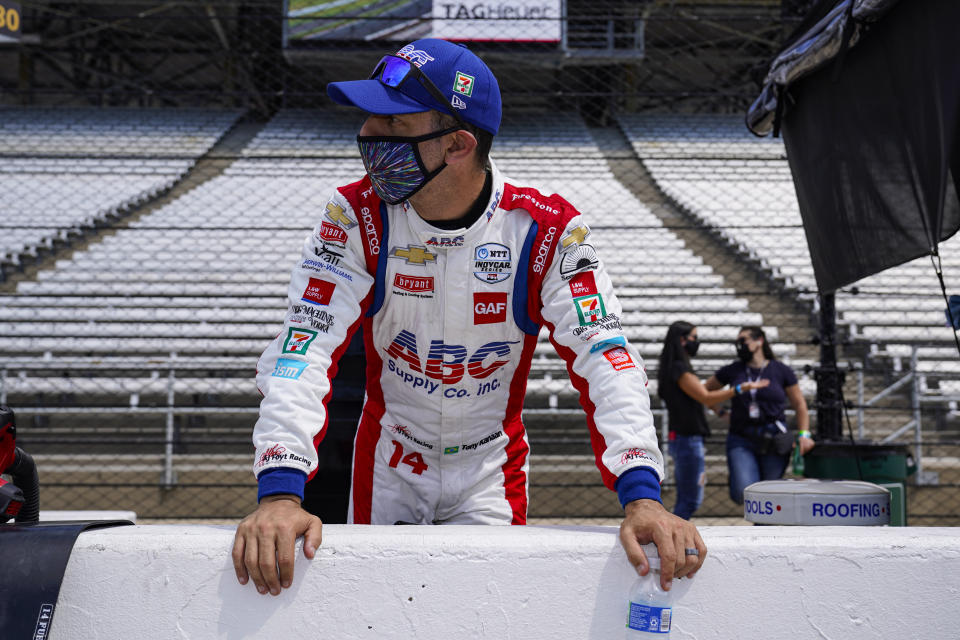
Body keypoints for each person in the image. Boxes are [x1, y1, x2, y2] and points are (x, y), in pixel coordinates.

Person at [231, 38, 706, 597]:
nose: (366, 134)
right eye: (369, 117)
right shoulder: (353, 214)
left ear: (457, 143)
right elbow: (302, 347)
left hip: (490, 473)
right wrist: (281, 494)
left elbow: (608, 358)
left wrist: (642, 495)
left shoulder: (547, 230)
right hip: (388, 462)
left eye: (392, 123)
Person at [657, 321, 769, 520]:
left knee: (688, 497)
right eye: (694, 337)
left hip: (684, 437)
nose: (696, 342)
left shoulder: (674, 367)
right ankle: (674, 539)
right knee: (690, 500)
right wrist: (739, 389)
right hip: (687, 438)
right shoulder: (679, 368)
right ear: (682, 340)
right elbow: (706, 396)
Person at [704, 326, 814, 505]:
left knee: (768, 494)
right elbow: (704, 392)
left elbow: (800, 404)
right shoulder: (733, 370)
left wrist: (804, 434)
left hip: (774, 436)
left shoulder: (781, 370)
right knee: (743, 491)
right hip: (741, 436)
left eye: (744, 341)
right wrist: (721, 412)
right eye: (737, 342)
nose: (740, 346)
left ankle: (762, 531)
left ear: (759, 341)